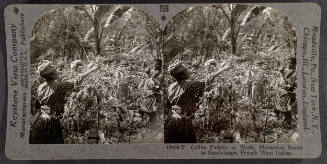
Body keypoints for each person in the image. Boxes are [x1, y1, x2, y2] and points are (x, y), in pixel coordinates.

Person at [30, 60, 100, 144]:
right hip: (50, 122)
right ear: (51, 75)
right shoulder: (59, 86)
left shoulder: (41, 86)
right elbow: (77, 80)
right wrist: (92, 70)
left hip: (41, 119)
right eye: (55, 71)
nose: (58, 71)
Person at [164, 61, 230, 143]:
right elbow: (208, 80)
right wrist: (222, 69)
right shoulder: (190, 85)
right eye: (186, 70)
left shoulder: (171, 86)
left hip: (171, 120)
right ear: (183, 74)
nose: (189, 71)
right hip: (183, 122)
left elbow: (167, 105)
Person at [277, 57, 297, 128]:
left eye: (290, 63)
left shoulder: (293, 72)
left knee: (285, 108)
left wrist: (282, 73)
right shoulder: (289, 71)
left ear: (294, 64)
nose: (288, 64)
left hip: (289, 92)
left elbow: (288, 82)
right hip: (285, 91)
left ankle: (287, 124)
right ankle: (286, 123)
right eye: (287, 63)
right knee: (283, 108)